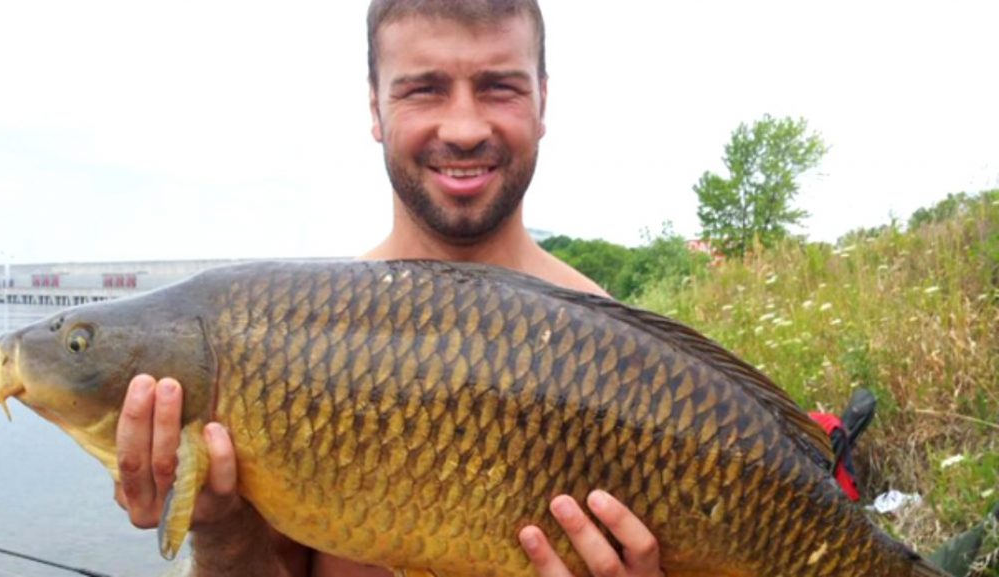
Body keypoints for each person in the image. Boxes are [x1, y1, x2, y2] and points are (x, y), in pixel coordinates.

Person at [113, 2, 667, 576]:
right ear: (375, 107)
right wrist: (222, 535)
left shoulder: (631, 364)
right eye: (424, 89)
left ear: (543, 101)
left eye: (499, 88)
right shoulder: (286, 349)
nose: (464, 128)